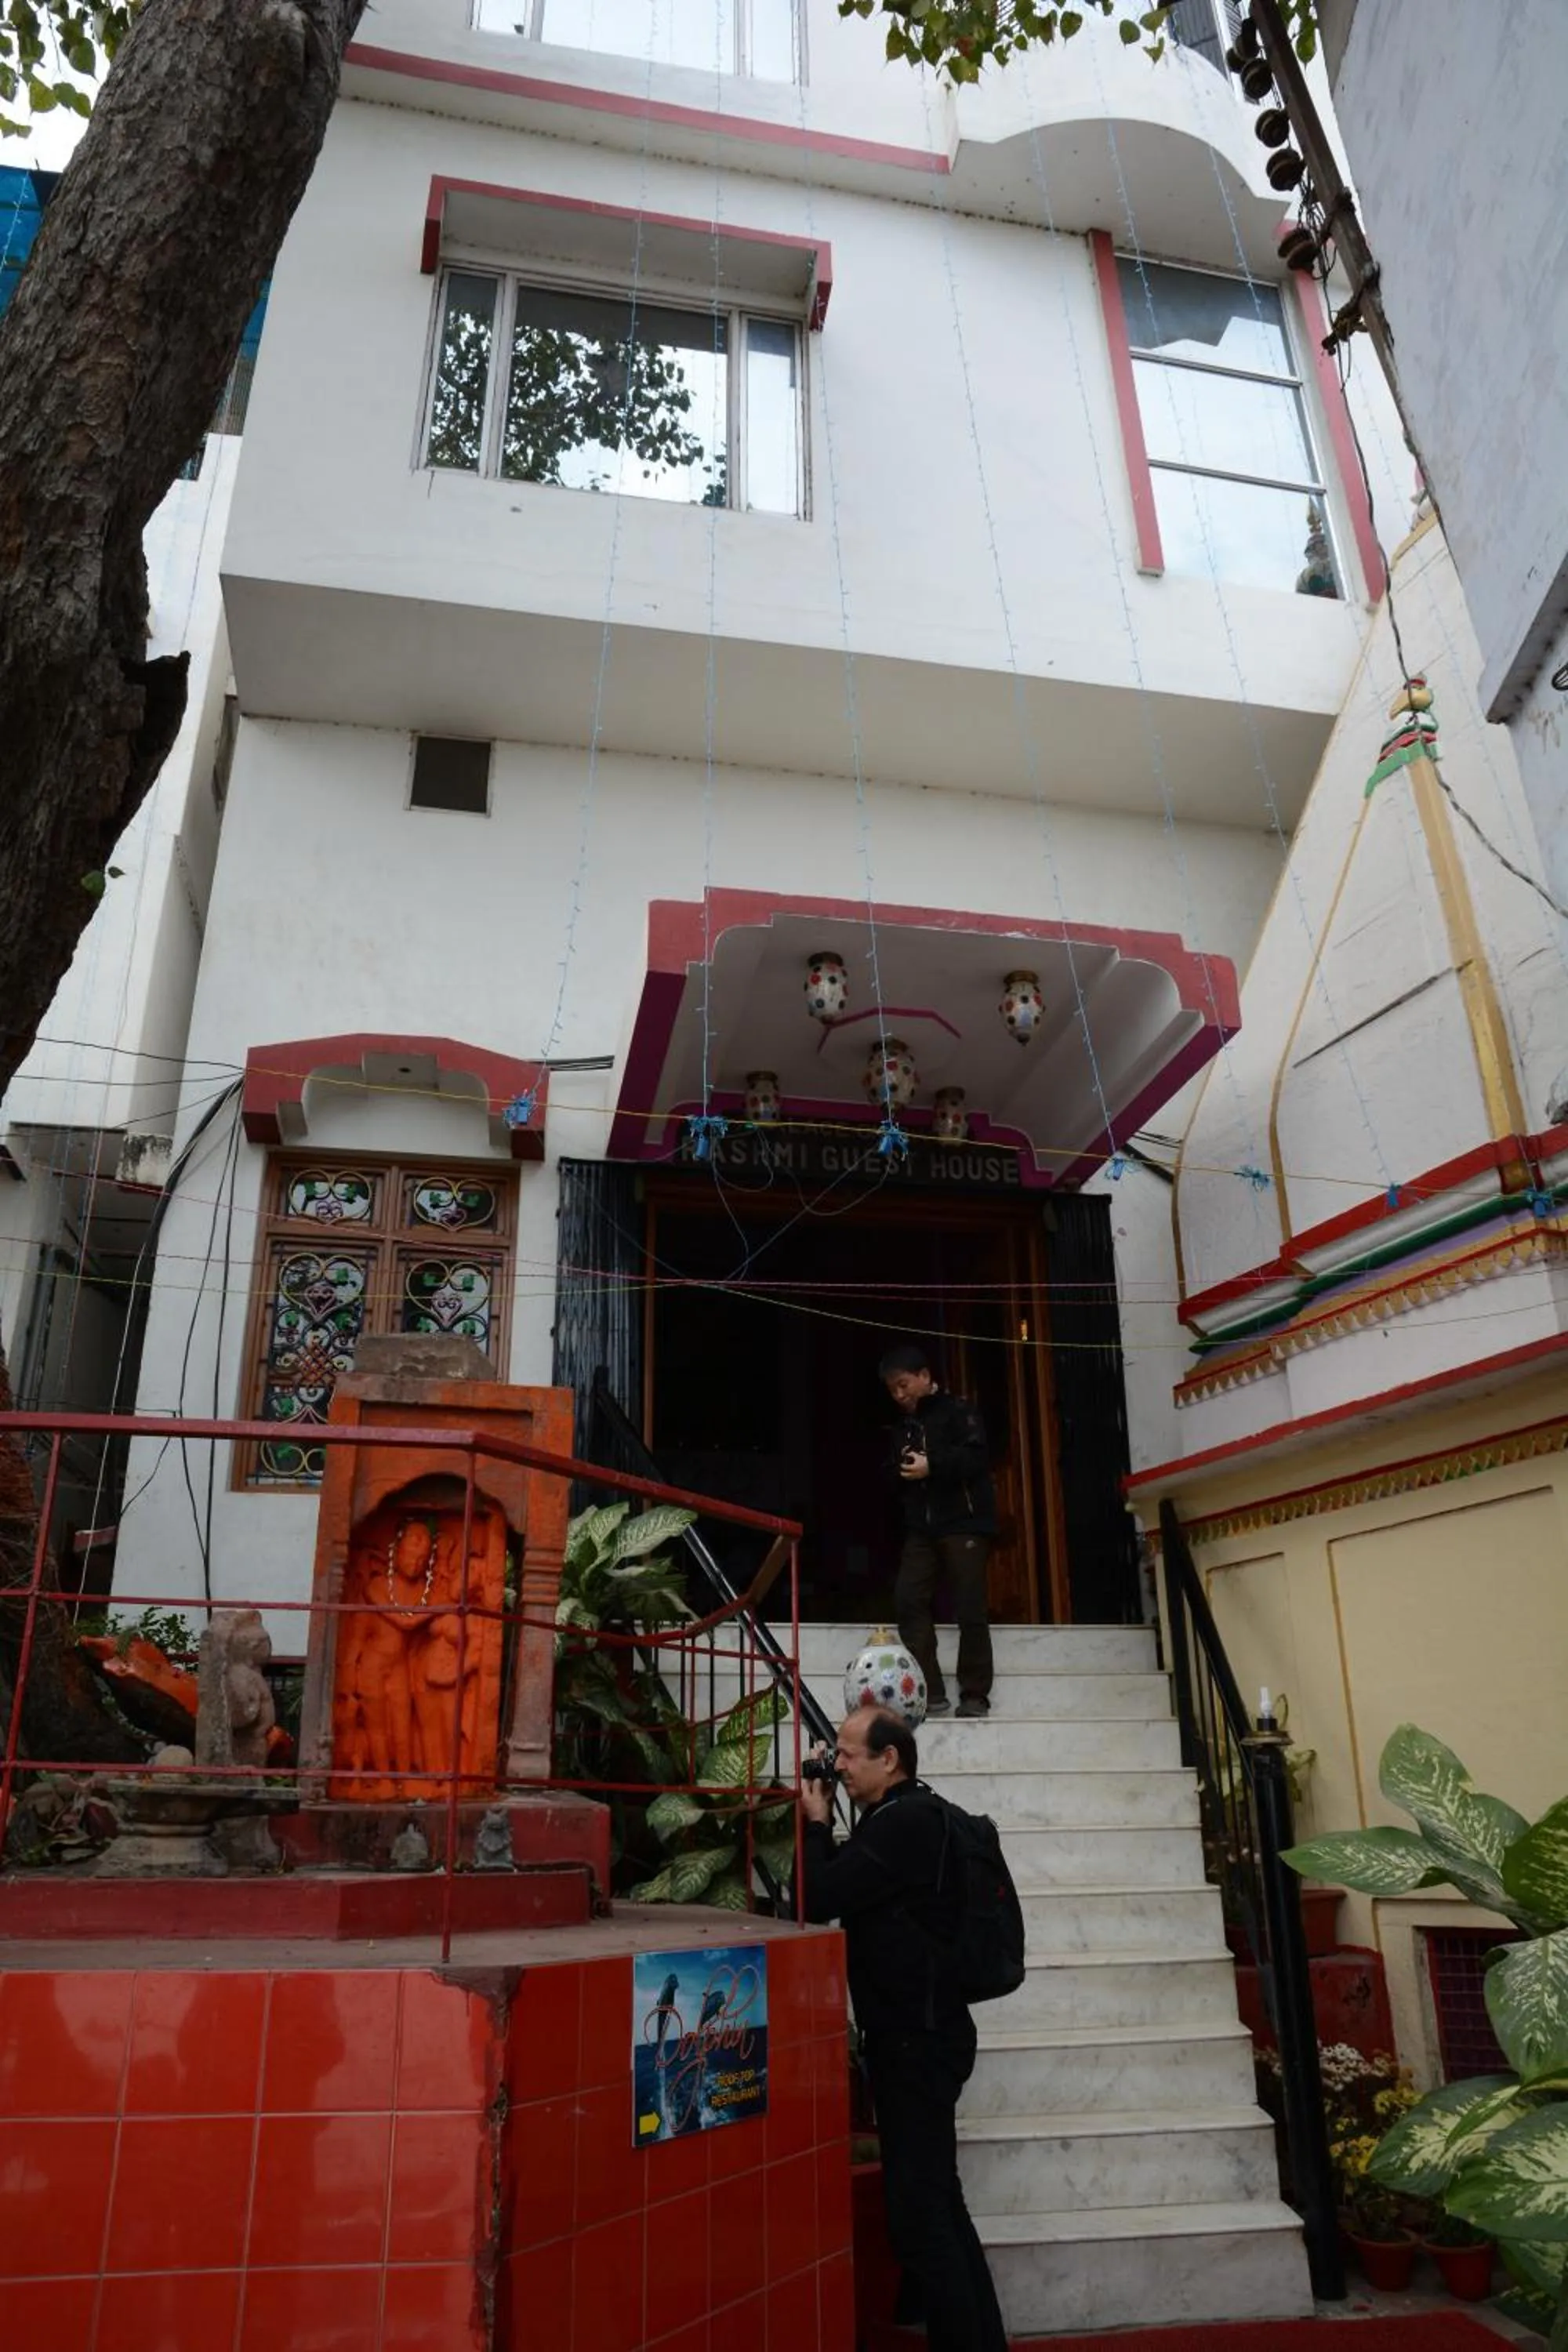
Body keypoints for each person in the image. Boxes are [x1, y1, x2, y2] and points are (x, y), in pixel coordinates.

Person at [801, 1705, 1008, 2352]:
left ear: (889, 1759)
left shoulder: (905, 1824)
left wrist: (813, 1825)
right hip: (925, 2035)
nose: (835, 1765)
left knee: (919, 2220)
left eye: (846, 1754)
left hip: (917, 2043)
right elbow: (856, 1886)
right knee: (939, 2203)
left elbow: (819, 1896)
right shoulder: (902, 1820)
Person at [880, 1342, 996, 1718]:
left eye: (903, 1385)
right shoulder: (902, 1426)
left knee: (969, 1606)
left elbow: (977, 1458)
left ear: (925, 1377)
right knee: (908, 1599)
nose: (899, 1396)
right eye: (893, 1390)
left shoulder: (959, 1411)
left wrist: (934, 1466)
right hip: (922, 1528)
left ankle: (975, 1693)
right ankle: (930, 1690)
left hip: (964, 1522)